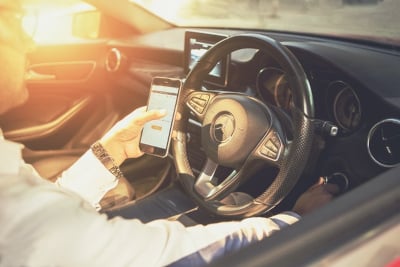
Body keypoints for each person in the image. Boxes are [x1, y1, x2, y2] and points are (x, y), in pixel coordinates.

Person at [0, 0, 339, 266]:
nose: (29, 39)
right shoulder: (17, 210)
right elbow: (175, 257)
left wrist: (108, 154)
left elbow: (49, 215)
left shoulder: (19, 202)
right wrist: (295, 221)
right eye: (13, 21)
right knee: (235, 204)